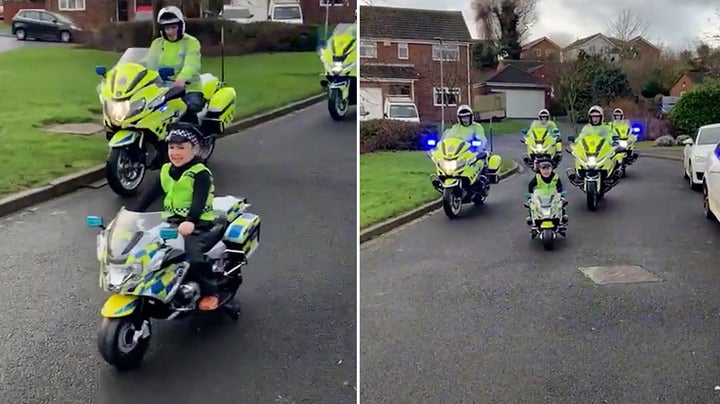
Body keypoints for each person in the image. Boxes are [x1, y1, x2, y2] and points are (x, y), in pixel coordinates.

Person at [129, 124, 220, 311]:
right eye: (172, 147)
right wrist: (132, 213)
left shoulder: (200, 173)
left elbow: (199, 201)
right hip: (171, 221)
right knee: (146, 247)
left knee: (193, 255)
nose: (175, 153)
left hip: (197, 222)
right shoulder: (165, 171)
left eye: (181, 148)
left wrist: (191, 221)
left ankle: (211, 292)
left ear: (194, 149)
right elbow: (149, 195)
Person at [143, 6, 205, 125]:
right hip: (161, 90)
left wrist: (182, 78)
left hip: (188, 89)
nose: (170, 32)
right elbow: (148, 64)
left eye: (173, 27)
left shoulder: (191, 42)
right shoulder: (157, 44)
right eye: (167, 28)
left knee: (187, 109)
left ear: (181, 26)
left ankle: (194, 139)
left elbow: (192, 64)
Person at [525, 158, 568, 225]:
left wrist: (561, 194)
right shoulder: (537, 177)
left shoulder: (555, 177)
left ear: (551, 169)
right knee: (532, 205)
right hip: (540, 196)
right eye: (543, 169)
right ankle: (531, 217)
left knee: (561, 204)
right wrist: (530, 195)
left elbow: (559, 186)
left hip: (553, 196)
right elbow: (531, 185)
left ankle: (562, 217)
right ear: (539, 169)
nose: (546, 171)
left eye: (548, 169)